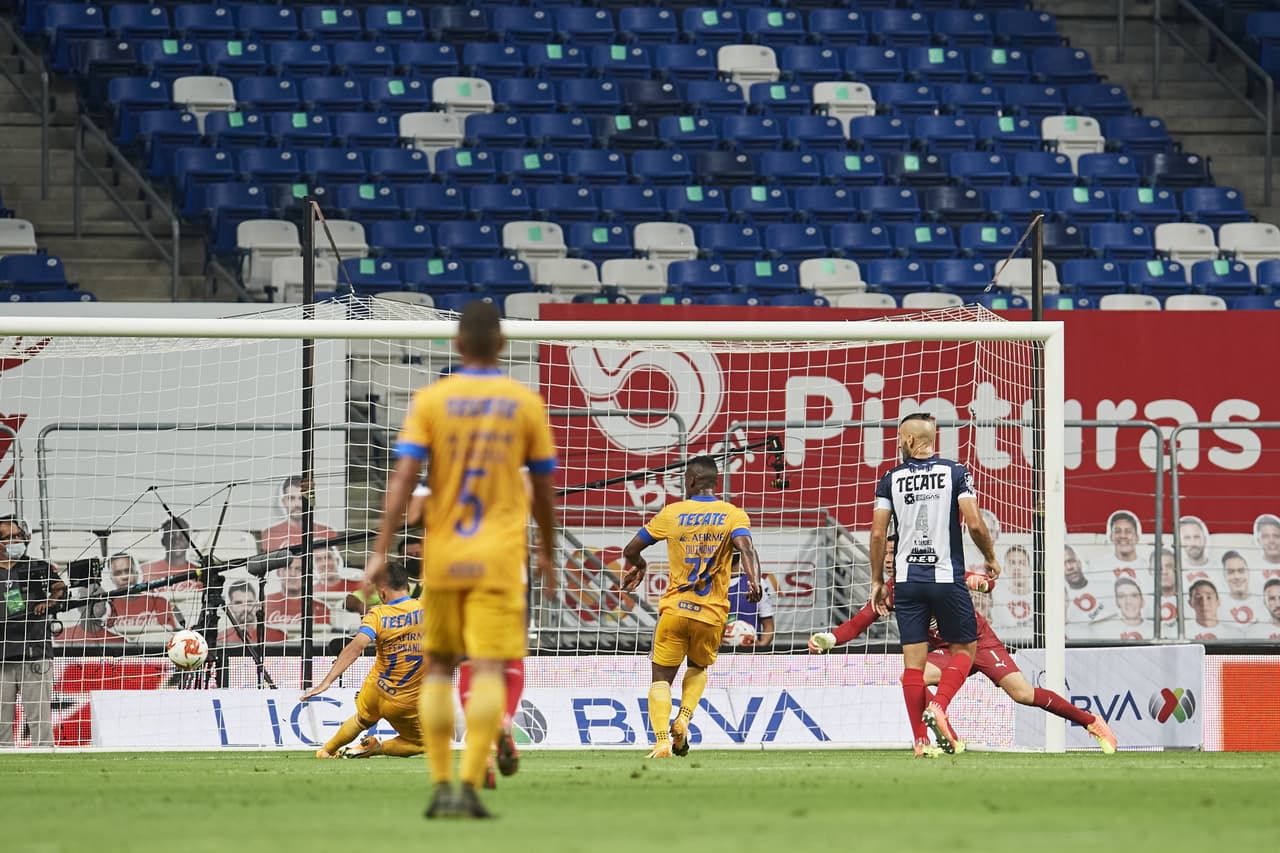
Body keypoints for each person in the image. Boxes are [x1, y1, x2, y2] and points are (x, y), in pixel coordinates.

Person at [362, 301, 558, 820]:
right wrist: (548, 551)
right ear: (500, 345)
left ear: (455, 344)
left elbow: (404, 480)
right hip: (499, 558)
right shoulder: (522, 402)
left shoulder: (432, 399)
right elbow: (542, 487)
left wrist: (380, 549)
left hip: (445, 558)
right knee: (490, 667)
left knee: (440, 669)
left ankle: (442, 784)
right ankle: (471, 783)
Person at [809, 570, 1117, 754]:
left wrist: (980, 582)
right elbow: (859, 622)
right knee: (912, 677)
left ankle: (1091, 722)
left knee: (1023, 694)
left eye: (895, 555)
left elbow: (980, 581)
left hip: (978, 641)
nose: (893, 562)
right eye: (889, 558)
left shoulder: (938, 573)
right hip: (947, 651)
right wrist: (831, 639)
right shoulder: (892, 590)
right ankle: (939, 737)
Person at [870, 413, 999, 757]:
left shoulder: (889, 479)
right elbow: (974, 523)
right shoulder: (956, 473)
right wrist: (990, 557)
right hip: (946, 579)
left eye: (899, 438)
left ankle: (921, 743)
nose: (898, 443)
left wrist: (877, 580)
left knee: (912, 666)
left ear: (910, 441)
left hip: (907, 582)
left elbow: (879, 533)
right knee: (965, 651)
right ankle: (939, 706)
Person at [620, 455, 761, 759]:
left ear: (693, 480)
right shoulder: (733, 515)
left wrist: (639, 565)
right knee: (698, 666)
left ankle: (660, 742)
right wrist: (754, 581)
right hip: (711, 615)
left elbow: (630, 549)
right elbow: (746, 548)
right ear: (716, 482)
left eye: (685, 477)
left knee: (661, 678)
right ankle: (683, 719)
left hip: (675, 610)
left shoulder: (672, 513)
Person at [303, 560, 425, 759]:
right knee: (421, 744)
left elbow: (356, 646)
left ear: (382, 592)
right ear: (409, 587)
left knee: (362, 719)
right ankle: (376, 748)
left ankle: (325, 750)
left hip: (374, 689)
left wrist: (327, 681)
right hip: (404, 699)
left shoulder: (376, 614)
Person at [0, 515, 66, 748]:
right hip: (2, 656)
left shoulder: (38, 567)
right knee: (1, 724)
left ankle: (45, 766)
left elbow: (60, 589)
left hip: (35, 652)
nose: (14, 541)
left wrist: (51, 601)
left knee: (39, 720)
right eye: (7, 538)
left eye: (18, 536)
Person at [100, 554, 179, 638]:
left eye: (128, 571)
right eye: (118, 573)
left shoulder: (160, 602)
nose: (125, 577)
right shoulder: (105, 607)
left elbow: (169, 636)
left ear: (137, 573)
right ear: (111, 578)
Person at [259, 475, 335, 554]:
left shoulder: (327, 532)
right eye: (291, 498)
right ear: (284, 501)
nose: (297, 504)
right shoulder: (270, 534)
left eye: (301, 498)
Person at [264, 555, 330, 643]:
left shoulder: (320, 607)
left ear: (307, 575)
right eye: (287, 568)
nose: (292, 574)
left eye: (298, 569)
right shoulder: (265, 603)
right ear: (278, 572)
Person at [724, 553, 774, 649]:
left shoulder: (756, 583)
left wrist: (760, 646)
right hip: (717, 655)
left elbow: (768, 625)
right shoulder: (710, 585)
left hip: (750, 656)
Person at [139, 517, 201, 591]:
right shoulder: (145, 570)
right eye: (172, 536)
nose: (177, 541)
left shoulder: (201, 572)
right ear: (163, 541)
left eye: (181, 536)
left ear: (189, 542)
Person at [990, 544, 1033, 641]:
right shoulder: (996, 596)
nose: (1017, 567)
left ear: (1030, 569)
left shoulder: (1040, 598)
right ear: (1005, 569)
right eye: (1012, 563)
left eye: (1021, 563)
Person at [1064, 544, 1111, 632]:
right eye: (1063, 564)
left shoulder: (1107, 587)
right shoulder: (1064, 605)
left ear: (1079, 563)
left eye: (1071, 561)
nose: (1069, 567)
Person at [1220, 550, 1260, 629]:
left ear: (1248, 572)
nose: (1237, 576)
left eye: (1241, 571)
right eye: (1231, 572)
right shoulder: (1219, 607)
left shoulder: (1262, 602)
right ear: (1224, 575)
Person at [1105, 577, 1153, 641]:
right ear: (1117, 603)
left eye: (1134, 595)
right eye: (1122, 596)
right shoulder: (1108, 633)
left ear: (1142, 601)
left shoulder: (1159, 630)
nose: (1128, 602)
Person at [218, 579, 262, 647]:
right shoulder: (221, 639)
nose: (245, 608)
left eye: (249, 603)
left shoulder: (277, 635)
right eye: (238, 603)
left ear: (257, 605)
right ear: (230, 607)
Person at [1104, 510, 1147, 576]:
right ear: (1111, 537)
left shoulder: (1147, 568)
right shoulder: (1099, 567)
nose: (1123, 536)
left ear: (1137, 538)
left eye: (1128, 531)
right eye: (1117, 531)